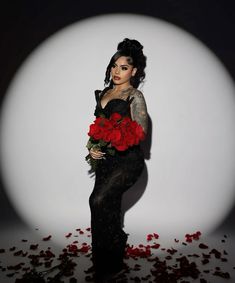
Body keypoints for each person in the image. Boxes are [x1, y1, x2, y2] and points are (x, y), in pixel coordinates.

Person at [88, 38, 148, 282]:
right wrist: (94, 147)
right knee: (106, 206)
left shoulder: (135, 95)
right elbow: (96, 129)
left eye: (124, 67)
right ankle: (107, 265)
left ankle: (115, 248)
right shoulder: (104, 93)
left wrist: (114, 135)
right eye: (114, 65)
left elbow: (140, 132)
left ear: (133, 71)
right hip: (105, 160)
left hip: (128, 160)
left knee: (98, 200)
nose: (116, 71)